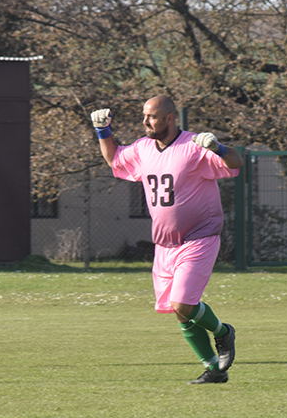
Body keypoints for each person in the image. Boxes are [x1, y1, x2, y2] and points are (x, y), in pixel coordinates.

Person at [91, 95, 243, 384]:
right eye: (144, 116)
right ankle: (213, 369)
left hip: (199, 237)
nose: (145, 121)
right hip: (165, 245)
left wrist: (219, 147)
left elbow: (236, 162)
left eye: (152, 116)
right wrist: (103, 131)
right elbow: (114, 159)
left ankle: (223, 332)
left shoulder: (192, 146)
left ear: (171, 118)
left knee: (184, 304)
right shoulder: (142, 148)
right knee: (181, 313)